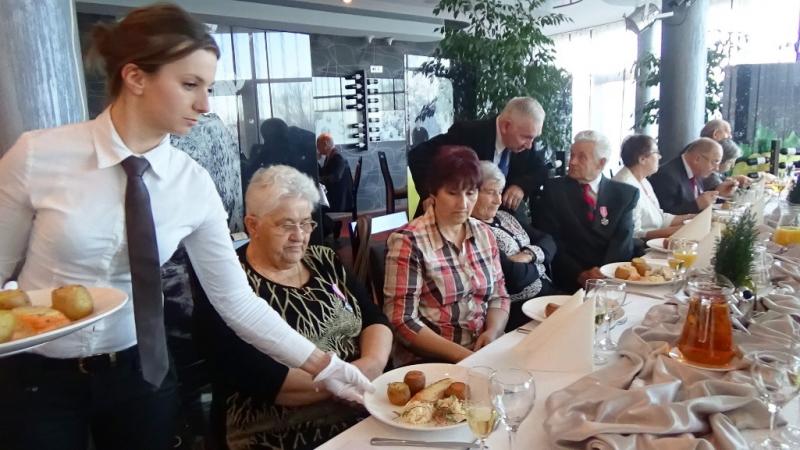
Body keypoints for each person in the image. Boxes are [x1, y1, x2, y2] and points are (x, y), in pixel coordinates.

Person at [0, 5, 370, 450]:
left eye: (208, 87)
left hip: (141, 370)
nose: (205, 104)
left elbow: (236, 301)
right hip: (38, 375)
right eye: (190, 84)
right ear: (135, 77)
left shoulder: (191, 183)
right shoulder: (38, 156)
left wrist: (325, 367)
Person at [194, 165, 392, 450]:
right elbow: (264, 378)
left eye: (306, 223)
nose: (299, 235)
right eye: (286, 225)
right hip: (279, 432)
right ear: (252, 225)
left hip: (362, 412)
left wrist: (371, 364)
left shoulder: (324, 259)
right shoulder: (227, 285)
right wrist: (341, 381)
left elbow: (374, 318)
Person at [383, 146, 510, 367]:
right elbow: (402, 321)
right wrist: (464, 357)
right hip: (434, 361)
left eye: (470, 193)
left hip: (483, 351)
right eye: (452, 193)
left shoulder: (483, 233)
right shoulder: (408, 242)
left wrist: (493, 331)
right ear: (433, 194)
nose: (463, 204)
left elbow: (499, 294)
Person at [532, 131, 639, 292]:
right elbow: (550, 240)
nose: (572, 161)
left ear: (601, 163)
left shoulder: (624, 194)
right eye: (572, 154)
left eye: (581, 157)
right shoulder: (554, 191)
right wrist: (580, 274)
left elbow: (623, 241)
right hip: (570, 280)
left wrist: (605, 274)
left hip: (613, 278)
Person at [408, 97, 547, 216]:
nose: (530, 145)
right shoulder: (468, 133)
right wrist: (429, 194)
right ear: (506, 126)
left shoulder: (524, 144)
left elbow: (541, 170)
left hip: (496, 221)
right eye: (526, 137)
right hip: (450, 218)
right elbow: (418, 155)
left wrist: (521, 186)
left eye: (534, 138)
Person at [471, 161, 557, 331]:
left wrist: (528, 255)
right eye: (491, 192)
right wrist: (541, 263)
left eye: (500, 192)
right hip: (519, 312)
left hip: (548, 295)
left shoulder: (505, 216)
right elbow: (513, 277)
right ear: (471, 192)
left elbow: (548, 240)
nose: (498, 200)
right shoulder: (474, 229)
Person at [612, 135, 694, 240]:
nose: (660, 157)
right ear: (642, 159)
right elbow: (634, 235)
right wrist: (679, 230)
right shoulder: (624, 186)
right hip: (640, 247)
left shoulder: (643, 180)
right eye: (656, 153)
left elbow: (659, 218)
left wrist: (691, 218)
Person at [649, 137, 738, 215]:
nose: (717, 168)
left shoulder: (697, 171)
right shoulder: (667, 176)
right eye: (715, 162)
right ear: (697, 159)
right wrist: (696, 205)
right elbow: (662, 215)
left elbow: (701, 202)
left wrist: (719, 194)